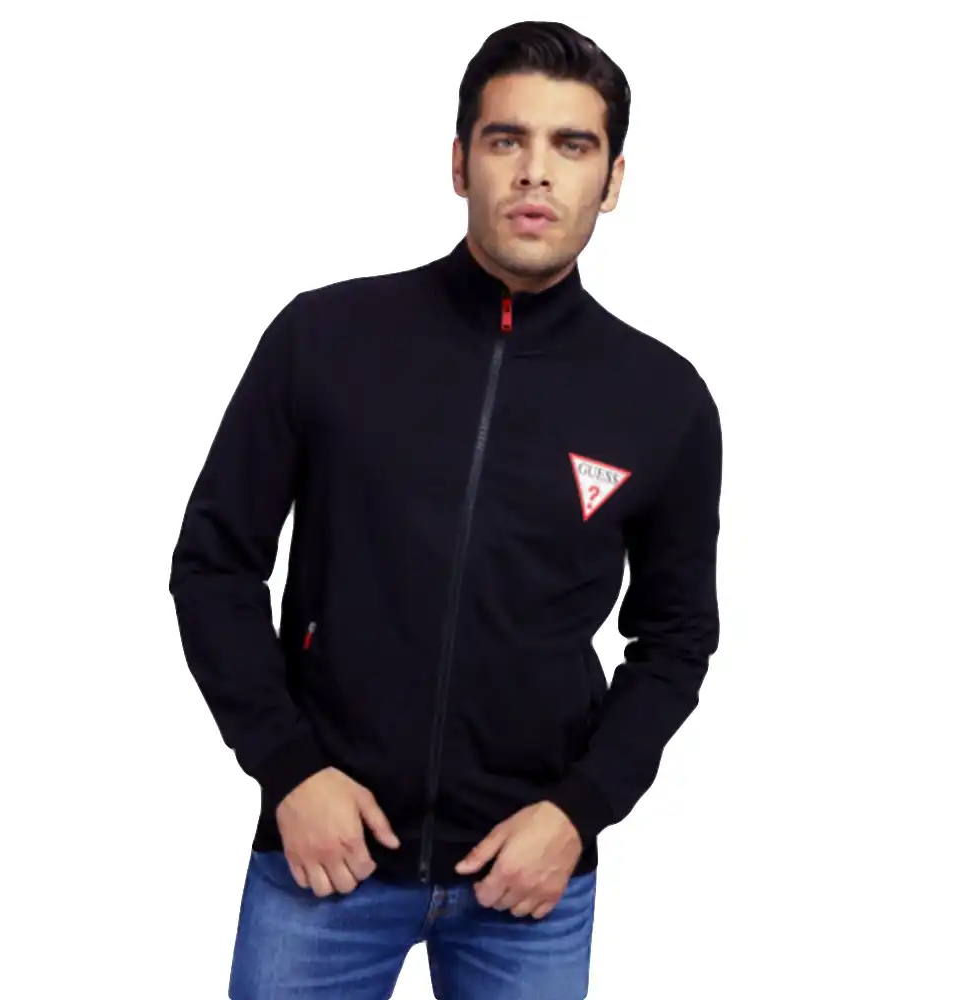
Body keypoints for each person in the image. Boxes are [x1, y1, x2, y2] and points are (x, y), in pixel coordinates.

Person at [169, 19, 722, 1000]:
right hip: (324, 862)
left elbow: (676, 637)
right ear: (460, 162)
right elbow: (214, 564)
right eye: (508, 139)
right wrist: (288, 769)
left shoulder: (662, 399)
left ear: (613, 180)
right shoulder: (326, 337)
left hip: (529, 881)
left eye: (572, 145)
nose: (536, 171)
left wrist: (579, 811)